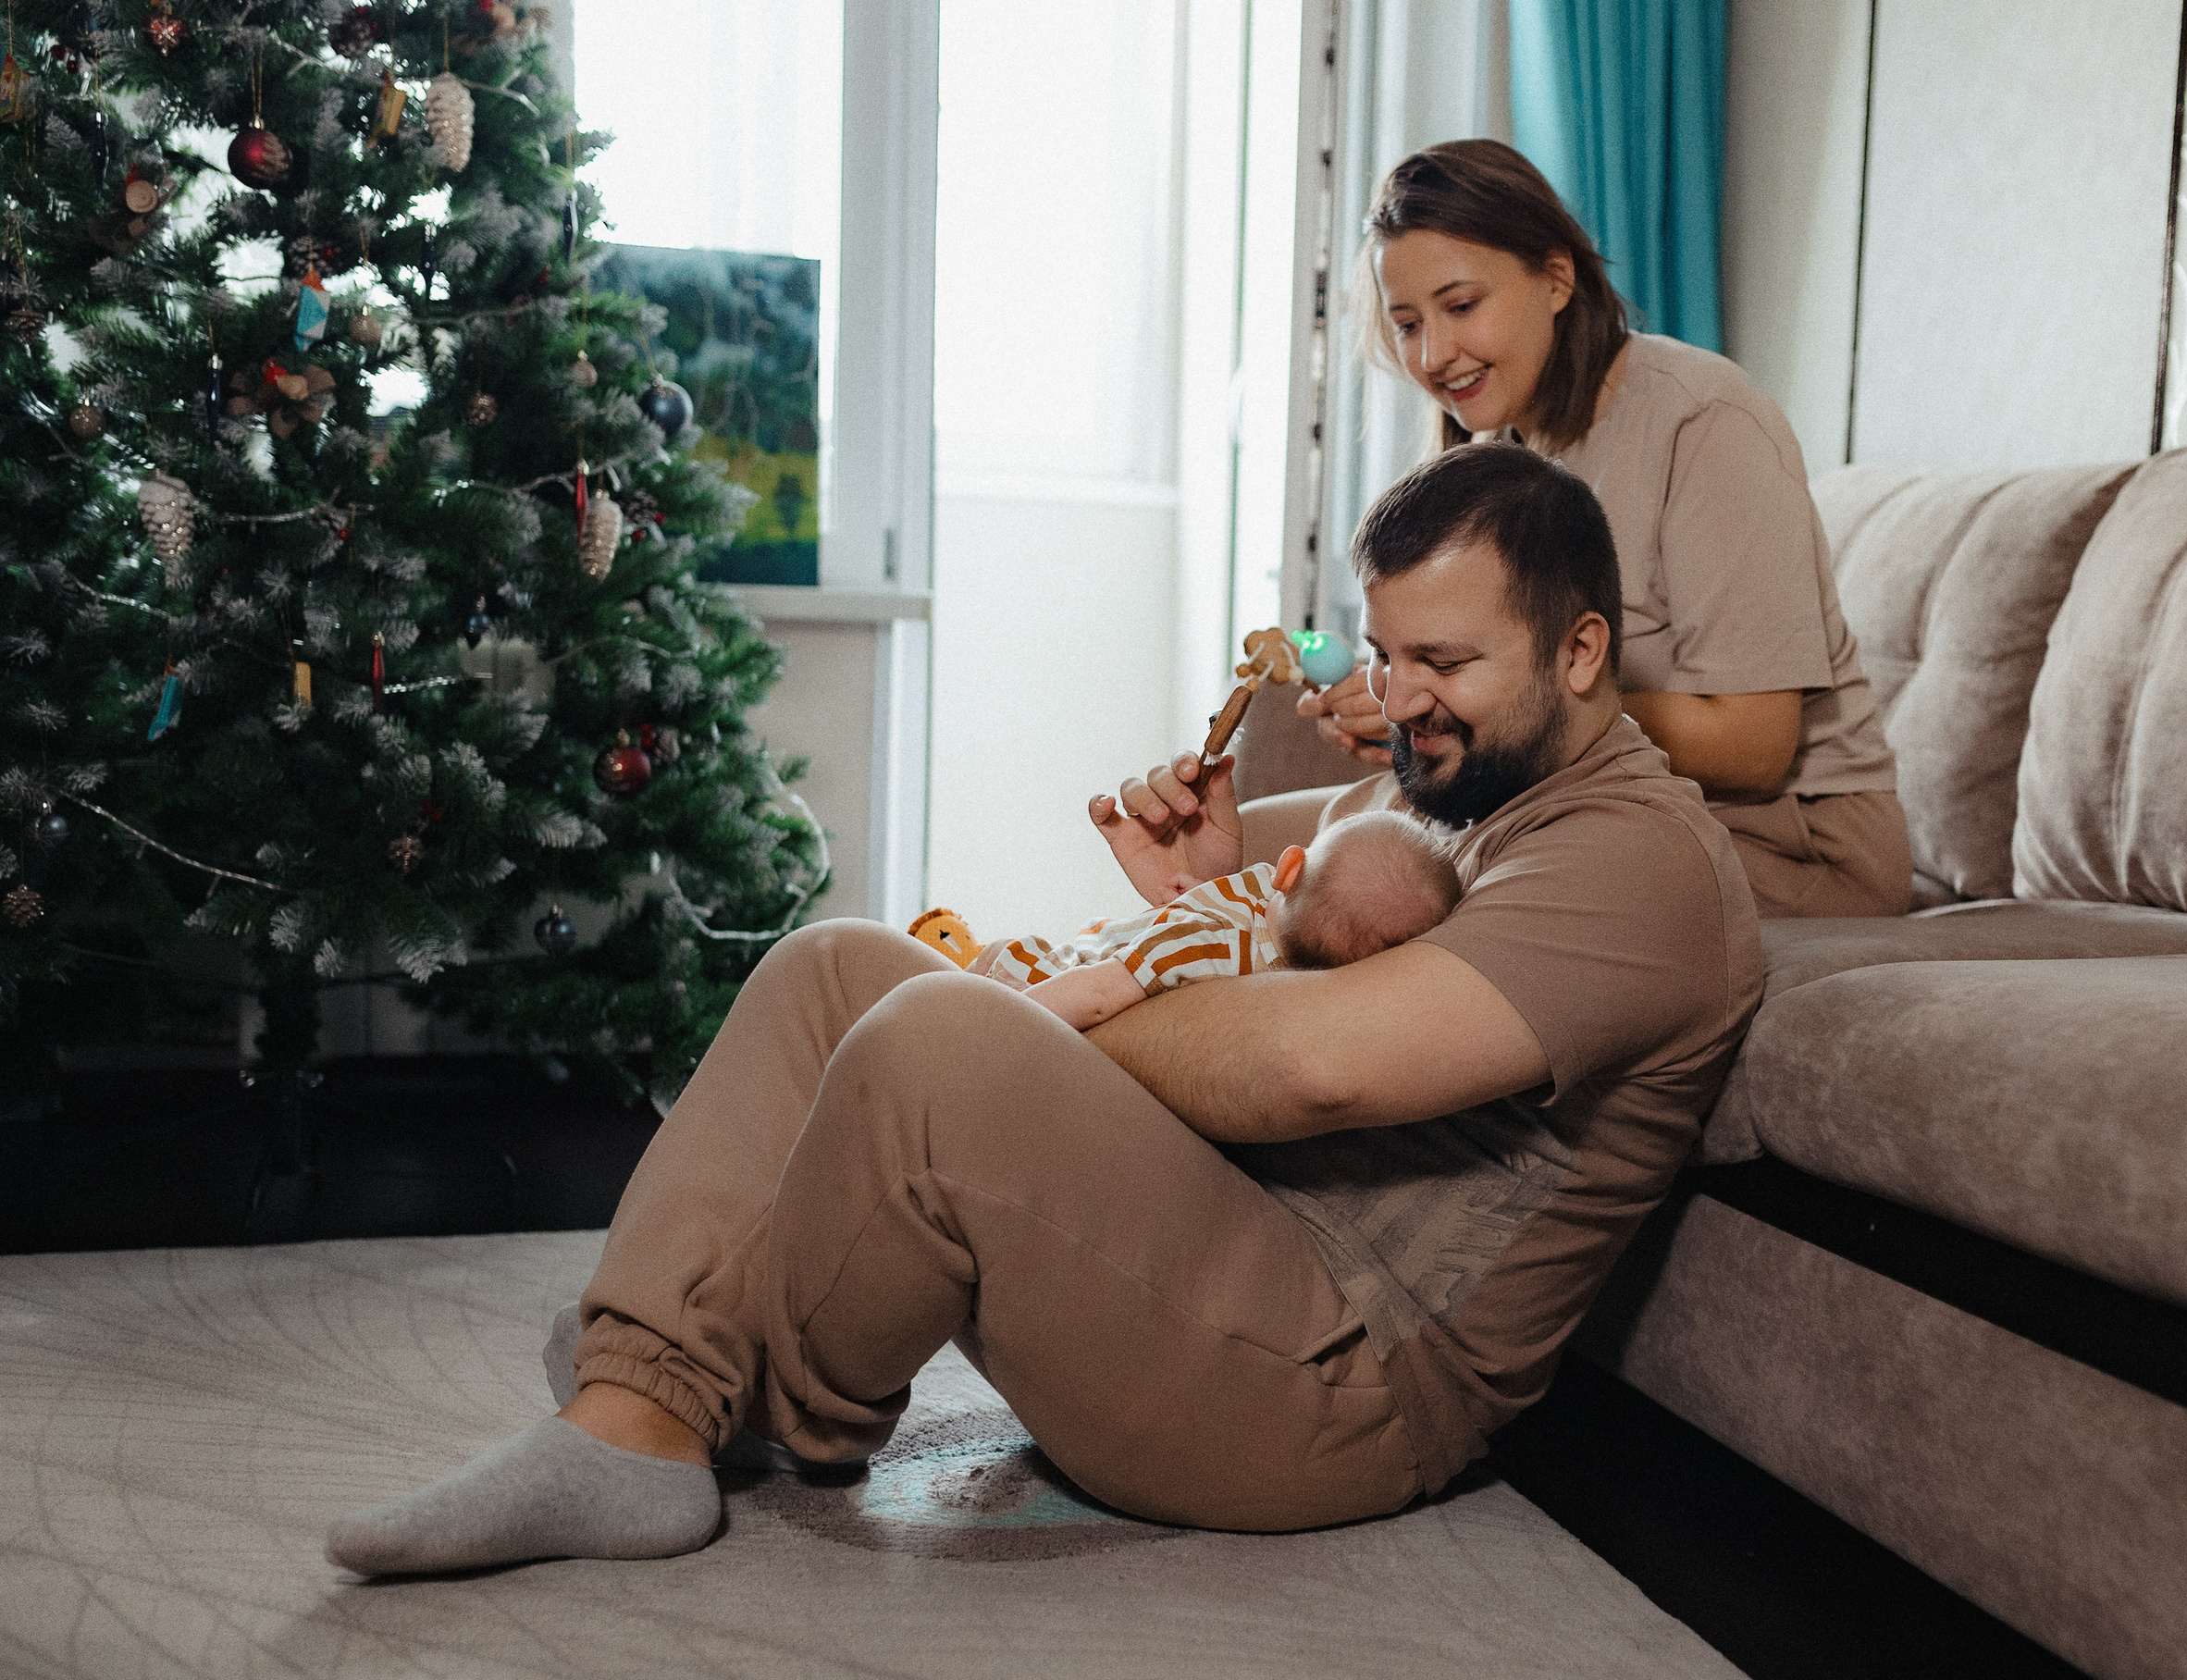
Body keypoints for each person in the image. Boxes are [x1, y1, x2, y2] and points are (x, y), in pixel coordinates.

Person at [323, 442, 1760, 1576]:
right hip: (1232, 1246)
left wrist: (1027, 1015)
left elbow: (1316, 1069)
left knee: (937, 1043)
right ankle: (648, 1401)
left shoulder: (1635, 864)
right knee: (844, 968)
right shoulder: (1447, 785)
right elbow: (1247, 897)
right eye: (1386, 654)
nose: (1398, 699)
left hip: (1342, 1382)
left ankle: (719, 1378)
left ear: (1581, 655)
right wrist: (1192, 884)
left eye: (1446, 665)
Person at [1298, 138, 1912, 920]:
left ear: (1556, 279)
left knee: (1410, 890)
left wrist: (1502, 702)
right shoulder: (1501, 459)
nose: (1434, 353)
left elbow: (1755, 748)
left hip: (1794, 843)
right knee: (1332, 853)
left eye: (1461, 307)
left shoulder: (1704, 419)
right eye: (1408, 323)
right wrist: (1414, 708)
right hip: (1606, 809)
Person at [977, 810, 1463, 1030]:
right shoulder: (1287, 962)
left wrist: (999, 1021)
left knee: (996, 952)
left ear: (1291, 867)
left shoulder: (1202, 947)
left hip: (1053, 980)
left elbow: (1098, 996)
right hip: (1103, 961)